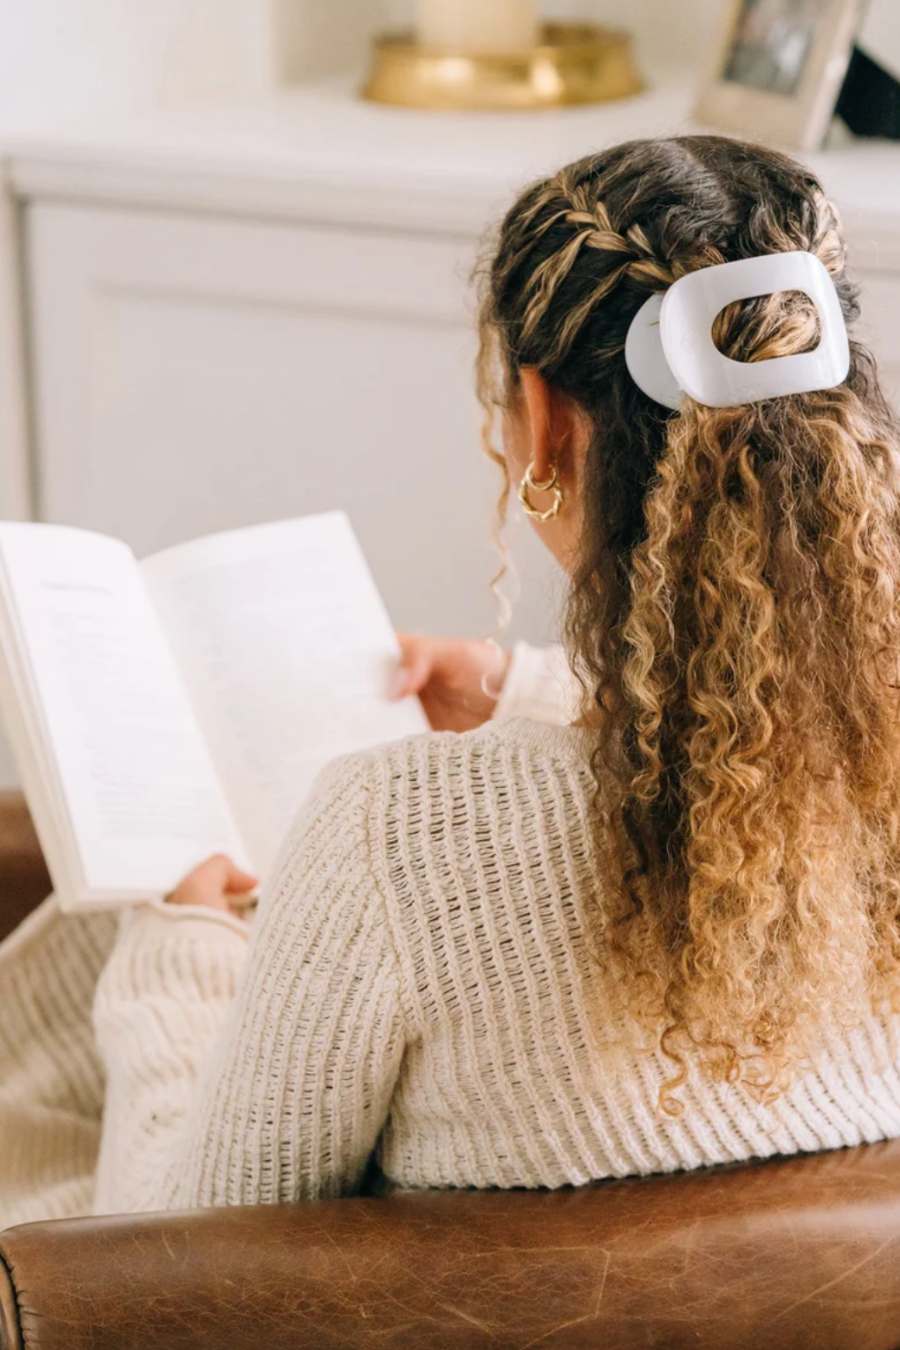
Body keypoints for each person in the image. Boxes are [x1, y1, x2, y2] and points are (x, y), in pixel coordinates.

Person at [3, 133, 900, 1228]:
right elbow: (721, 752)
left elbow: (175, 1256)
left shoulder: (400, 835)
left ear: (545, 423)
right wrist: (525, 692)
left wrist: (179, 948)